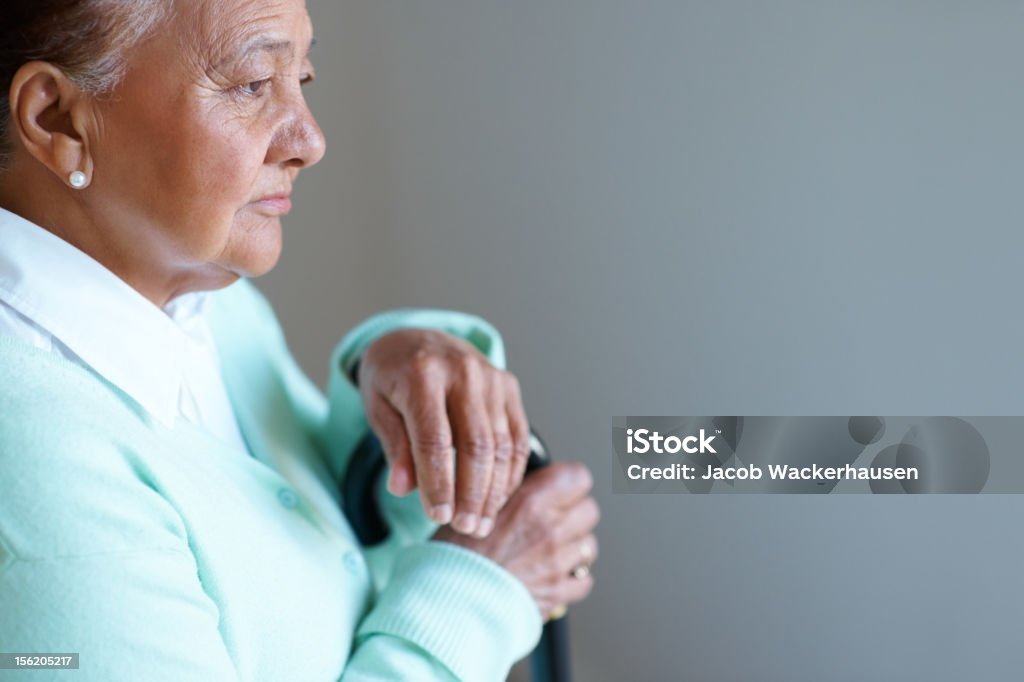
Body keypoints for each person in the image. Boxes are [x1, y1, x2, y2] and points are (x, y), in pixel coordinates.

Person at [0, 1, 599, 680]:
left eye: (302, 78)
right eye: (254, 84)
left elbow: (298, 538)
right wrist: (482, 594)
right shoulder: (34, 475)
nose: (309, 140)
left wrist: (391, 387)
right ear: (57, 119)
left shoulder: (201, 302)